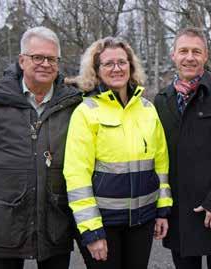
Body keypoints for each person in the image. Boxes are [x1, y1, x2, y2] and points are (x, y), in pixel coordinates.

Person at [63, 36, 173, 269]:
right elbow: (76, 176)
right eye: (108, 63)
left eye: (122, 62)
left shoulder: (147, 109)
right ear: (96, 70)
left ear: (131, 66)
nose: (117, 68)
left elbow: (161, 164)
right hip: (104, 224)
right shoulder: (86, 112)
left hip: (142, 222)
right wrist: (92, 231)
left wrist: (162, 209)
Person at [0, 27, 82, 268]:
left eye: (51, 58)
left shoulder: (72, 105)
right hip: (5, 222)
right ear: (22, 60)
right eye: (37, 57)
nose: (45, 64)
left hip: (55, 221)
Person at [154, 27, 211, 269]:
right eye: (183, 51)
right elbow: (159, 157)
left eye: (196, 51)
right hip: (179, 213)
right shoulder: (162, 100)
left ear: (205, 56)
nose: (189, 57)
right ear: (173, 55)